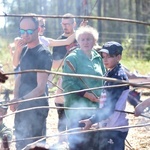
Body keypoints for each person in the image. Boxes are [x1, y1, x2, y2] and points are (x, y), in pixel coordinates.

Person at [9, 15, 52, 150]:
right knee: (20, 142)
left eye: (29, 31)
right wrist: (16, 97)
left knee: (35, 146)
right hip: (23, 104)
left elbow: (40, 88)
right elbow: (19, 75)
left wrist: (20, 100)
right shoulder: (25, 49)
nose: (25, 35)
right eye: (22, 31)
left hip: (36, 107)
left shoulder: (43, 53)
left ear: (38, 29)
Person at [80, 41, 129, 150]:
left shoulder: (117, 78)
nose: (105, 60)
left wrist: (91, 120)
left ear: (119, 57)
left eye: (110, 56)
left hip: (115, 128)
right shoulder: (110, 73)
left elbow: (109, 108)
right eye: (104, 56)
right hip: (109, 126)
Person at [62, 25, 105, 150]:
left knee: (94, 144)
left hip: (95, 109)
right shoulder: (72, 58)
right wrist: (87, 95)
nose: (86, 42)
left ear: (94, 41)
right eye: (83, 39)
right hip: (77, 110)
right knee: (79, 144)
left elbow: (104, 79)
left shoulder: (97, 58)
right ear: (78, 41)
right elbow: (68, 83)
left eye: (89, 39)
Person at [52, 13, 78, 143]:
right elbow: (55, 63)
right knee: (59, 100)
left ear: (74, 24)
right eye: (63, 24)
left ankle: (76, 136)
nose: (65, 26)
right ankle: (62, 136)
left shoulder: (81, 37)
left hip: (83, 76)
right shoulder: (60, 41)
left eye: (68, 24)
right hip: (66, 75)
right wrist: (70, 58)